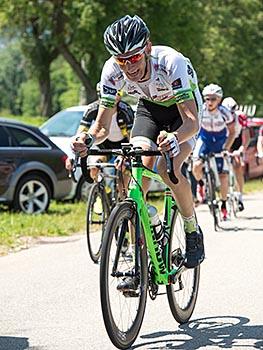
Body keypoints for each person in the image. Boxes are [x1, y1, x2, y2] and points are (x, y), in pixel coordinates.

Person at [72, 15, 205, 285]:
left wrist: (175, 138)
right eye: (122, 60)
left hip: (183, 113)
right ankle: (138, 259)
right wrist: (86, 140)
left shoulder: (171, 62)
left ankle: (192, 229)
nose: (128, 66)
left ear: (147, 48)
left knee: (169, 170)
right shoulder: (111, 71)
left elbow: (191, 122)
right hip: (149, 110)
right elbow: (101, 124)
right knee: (136, 168)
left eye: (133, 58)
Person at [67, 83, 134, 198]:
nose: (112, 100)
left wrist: (126, 156)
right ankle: (102, 193)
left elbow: (131, 136)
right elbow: (80, 135)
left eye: (116, 95)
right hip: (103, 145)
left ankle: (122, 199)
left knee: (123, 175)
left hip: (123, 144)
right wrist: (72, 156)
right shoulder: (92, 109)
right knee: (94, 166)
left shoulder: (125, 110)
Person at [192, 84, 236, 220]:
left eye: (213, 99)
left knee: (223, 175)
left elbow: (232, 133)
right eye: (207, 99)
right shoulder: (201, 110)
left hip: (219, 141)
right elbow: (193, 128)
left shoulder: (225, 113)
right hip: (204, 140)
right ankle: (201, 184)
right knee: (196, 165)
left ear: (219, 100)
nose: (209, 102)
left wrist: (226, 148)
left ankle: (223, 204)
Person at [222, 97, 250, 211]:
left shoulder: (241, 117)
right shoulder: (219, 116)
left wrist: (241, 149)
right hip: (224, 140)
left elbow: (246, 136)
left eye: (232, 113)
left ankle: (239, 195)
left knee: (238, 165)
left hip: (237, 140)